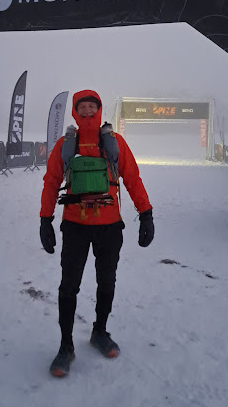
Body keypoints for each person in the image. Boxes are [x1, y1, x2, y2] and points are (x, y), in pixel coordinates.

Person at [39, 89, 154, 378]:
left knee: (107, 281)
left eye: (92, 106)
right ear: (76, 112)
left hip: (109, 226)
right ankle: (66, 346)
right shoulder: (67, 145)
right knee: (69, 286)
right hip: (75, 225)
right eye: (83, 107)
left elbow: (132, 178)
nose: (88, 111)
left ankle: (99, 332)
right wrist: (45, 219)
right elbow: (52, 181)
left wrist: (146, 212)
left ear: (99, 110)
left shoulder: (113, 143)